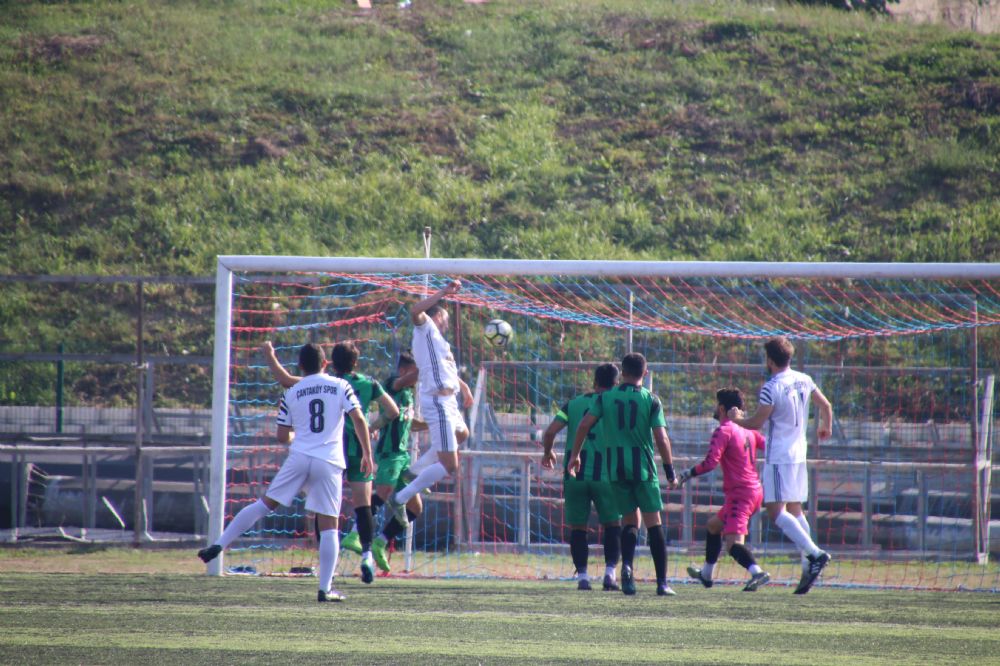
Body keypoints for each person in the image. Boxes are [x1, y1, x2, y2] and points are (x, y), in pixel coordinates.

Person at [198, 343, 371, 603]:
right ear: (325, 363)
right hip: (328, 460)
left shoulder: (291, 392)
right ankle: (325, 589)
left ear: (301, 366)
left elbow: (282, 436)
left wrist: (302, 438)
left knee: (264, 504)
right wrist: (368, 454)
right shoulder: (340, 385)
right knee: (329, 526)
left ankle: (220, 544)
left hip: (299, 457)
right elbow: (358, 419)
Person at [262, 340, 398, 585]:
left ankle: (325, 564)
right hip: (357, 450)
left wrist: (270, 354)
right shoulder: (369, 384)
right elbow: (393, 411)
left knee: (322, 508)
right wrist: (371, 427)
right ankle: (366, 555)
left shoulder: (324, 384)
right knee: (363, 505)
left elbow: (284, 378)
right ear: (355, 362)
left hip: (329, 450)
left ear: (331, 363)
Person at [728, 336, 834, 594]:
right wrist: (825, 426)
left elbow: (756, 423)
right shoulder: (804, 379)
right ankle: (809, 567)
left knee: (776, 512)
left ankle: (815, 554)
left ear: (770, 360)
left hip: (779, 457)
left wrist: (737, 418)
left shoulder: (771, 386)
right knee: (796, 510)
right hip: (799, 454)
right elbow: (826, 405)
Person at [567, 352, 678, 597]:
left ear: (623, 373)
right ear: (645, 373)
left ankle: (626, 567)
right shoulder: (651, 399)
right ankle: (662, 583)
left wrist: (575, 455)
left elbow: (584, 424)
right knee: (653, 523)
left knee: (629, 521)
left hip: (615, 469)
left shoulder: (606, 397)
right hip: (643, 469)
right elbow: (661, 437)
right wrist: (670, 471)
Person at [386, 280, 470, 520]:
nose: (445, 322)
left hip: (449, 399)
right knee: (449, 465)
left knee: (462, 434)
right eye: (443, 317)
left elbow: (445, 370)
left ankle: (413, 472)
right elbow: (415, 310)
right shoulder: (425, 327)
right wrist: (443, 292)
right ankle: (400, 497)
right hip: (438, 401)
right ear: (435, 316)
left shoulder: (439, 342)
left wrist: (464, 388)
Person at [541, 363, 626, 592]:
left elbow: (549, 432)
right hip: (607, 476)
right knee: (613, 525)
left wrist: (548, 452)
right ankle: (610, 575)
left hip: (574, 475)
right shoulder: (616, 404)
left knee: (578, 528)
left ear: (594, 382)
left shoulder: (573, 404)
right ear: (616, 383)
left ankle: (583, 578)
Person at [678, 388, 770, 592]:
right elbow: (768, 445)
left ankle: (757, 572)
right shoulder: (749, 430)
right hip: (754, 491)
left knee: (733, 544)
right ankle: (707, 574)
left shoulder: (724, 430)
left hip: (741, 494)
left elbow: (711, 463)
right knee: (713, 526)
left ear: (721, 408)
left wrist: (688, 473)